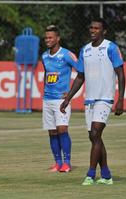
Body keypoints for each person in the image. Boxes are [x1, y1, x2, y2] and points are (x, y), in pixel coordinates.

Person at [60, 18, 126, 185]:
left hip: (105, 98)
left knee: (96, 133)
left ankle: (90, 174)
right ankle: (106, 174)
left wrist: (120, 100)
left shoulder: (111, 48)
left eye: (97, 28)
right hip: (89, 100)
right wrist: (68, 98)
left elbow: (120, 73)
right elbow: (80, 76)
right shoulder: (85, 50)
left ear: (104, 31)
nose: (93, 30)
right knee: (94, 137)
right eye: (91, 28)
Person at [41, 25, 78, 173]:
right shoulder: (44, 56)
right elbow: (46, 74)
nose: (47, 40)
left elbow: (81, 71)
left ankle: (67, 163)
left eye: (50, 37)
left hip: (61, 100)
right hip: (47, 99)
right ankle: (57, 163)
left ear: (58, 38)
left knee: (62, 129)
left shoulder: (67, 55)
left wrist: (69, 95)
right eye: (46, 38)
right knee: (52, 132)